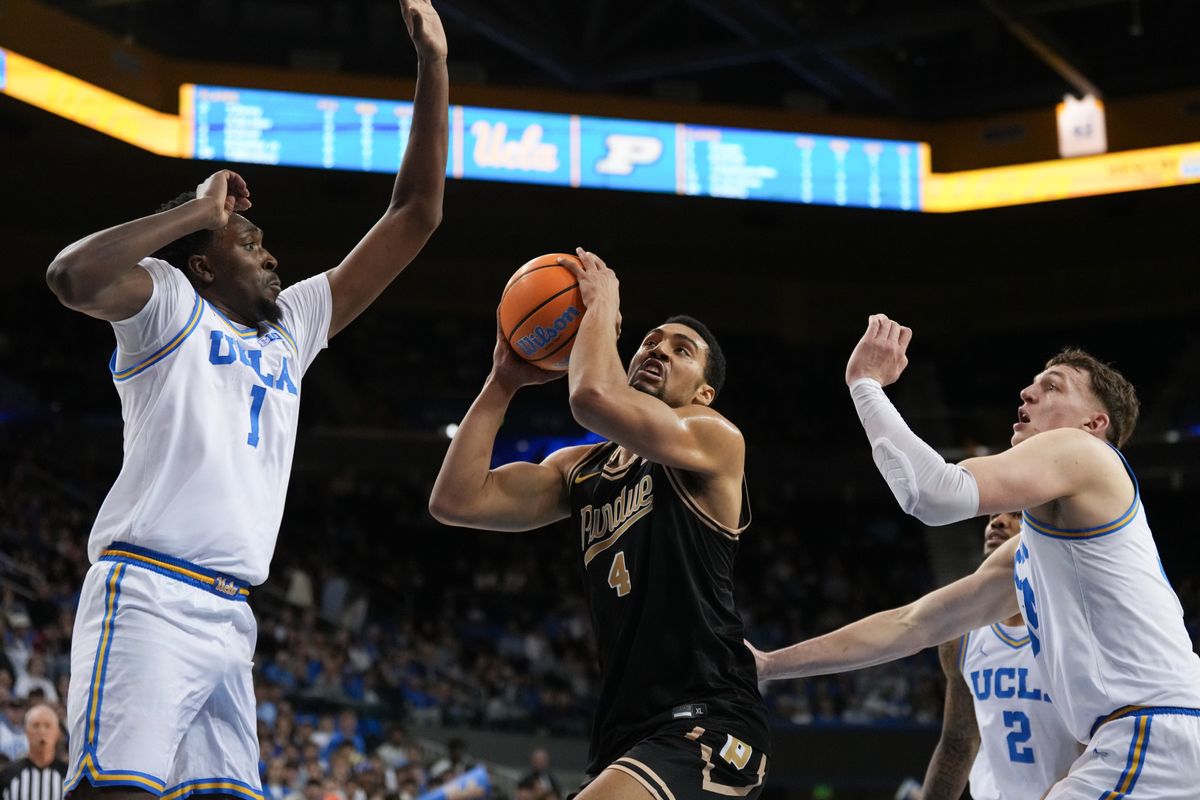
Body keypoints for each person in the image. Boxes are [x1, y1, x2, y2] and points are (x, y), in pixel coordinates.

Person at [44, 3, 448, 799]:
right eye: (249, 243)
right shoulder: (169, 302)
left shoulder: (291, 328)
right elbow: (70, 277)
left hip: (231, 618)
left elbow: (416, 215)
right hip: (150, 591)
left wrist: (433, 64)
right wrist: (199, 212)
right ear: (202, 265)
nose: (271, 258)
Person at [750, 315, 1200, 799]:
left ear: (1094, 423)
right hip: (1145, 736)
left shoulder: (1085, 450)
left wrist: (865, 384)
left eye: (1052, 386)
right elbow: (912, 625)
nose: (1027, 393)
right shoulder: (1030, 553)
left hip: (1154, 734)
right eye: (1032, 384)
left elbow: (932, 493)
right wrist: (770, 664)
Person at [430, 249, 769, 800]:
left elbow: (591, 396)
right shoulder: (580, 470)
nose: (658, 348)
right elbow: (457, 499)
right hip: (625, 734)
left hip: (709, 717)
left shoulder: (714, 437)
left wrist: (602, 304)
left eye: (681, 350)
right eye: (651, 340)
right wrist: (502, 381)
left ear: (703, 394)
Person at [899, 512, 1080, 800]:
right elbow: (958, 742)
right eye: (994, 515)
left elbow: (1101, 745)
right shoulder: (961, 636)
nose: (998, 522)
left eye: (1017, 514)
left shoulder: (1074, 630)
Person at [0, 704, 66, 800]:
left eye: (47, 726)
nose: (42, 731)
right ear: (26, 732)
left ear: (57, 733)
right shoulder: (7, 776)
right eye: (36, 725)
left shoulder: (69, 777)